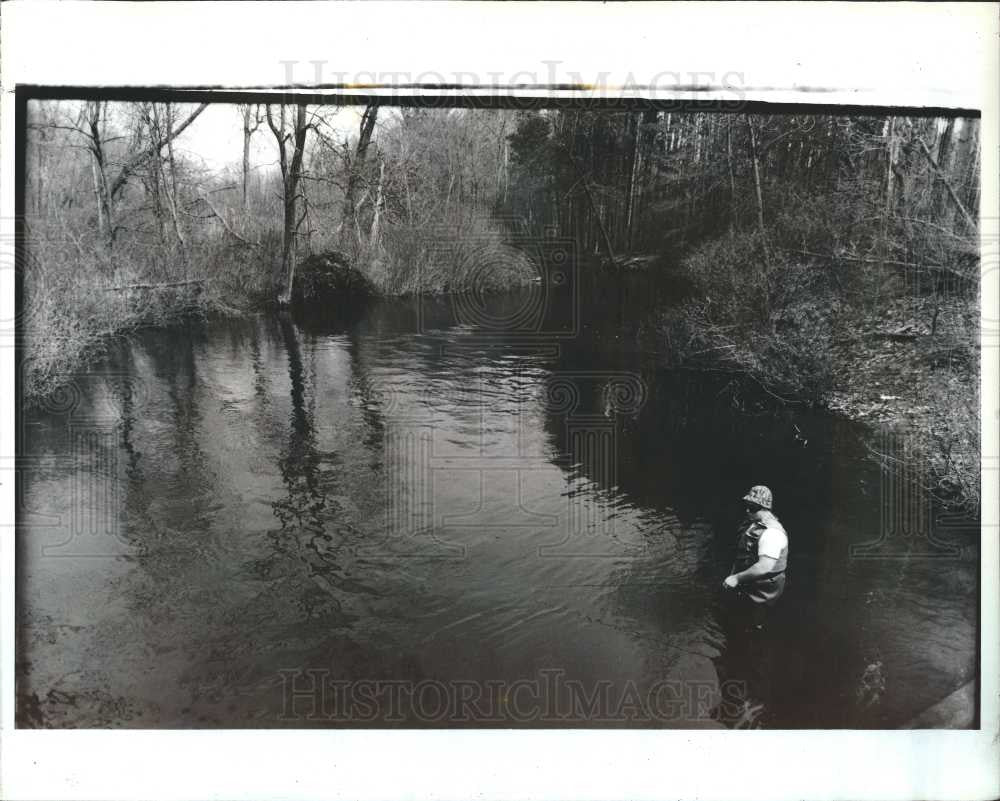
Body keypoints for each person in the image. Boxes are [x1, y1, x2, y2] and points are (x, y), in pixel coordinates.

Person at [722, 485, 788, 629]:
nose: (747, 511)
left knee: (752, 628)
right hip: (749, 588)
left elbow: (764, 567)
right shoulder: (756, 523)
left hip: (761, 595)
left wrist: (736, 578)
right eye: (747, 506)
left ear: (765, 508)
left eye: (752, 508)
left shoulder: (772, 534)